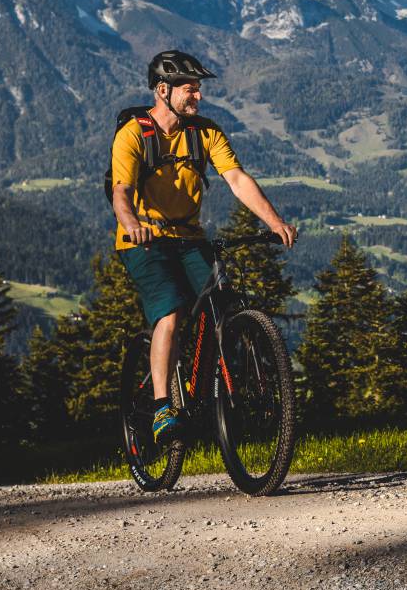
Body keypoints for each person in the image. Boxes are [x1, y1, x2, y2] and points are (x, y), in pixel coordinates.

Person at [111, 50, 298, 443]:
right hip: (142, 242)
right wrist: (131, 223)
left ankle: (214, 390)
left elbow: (237, 179)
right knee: (171, 312)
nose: (198, 97)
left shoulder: (205, 132)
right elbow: (122, 190)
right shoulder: (134, 134)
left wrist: (275, 221)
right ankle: (162, 407)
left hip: (188, 237)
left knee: (223, 303)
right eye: (189, 90)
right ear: (163, 91)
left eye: (198, 90)